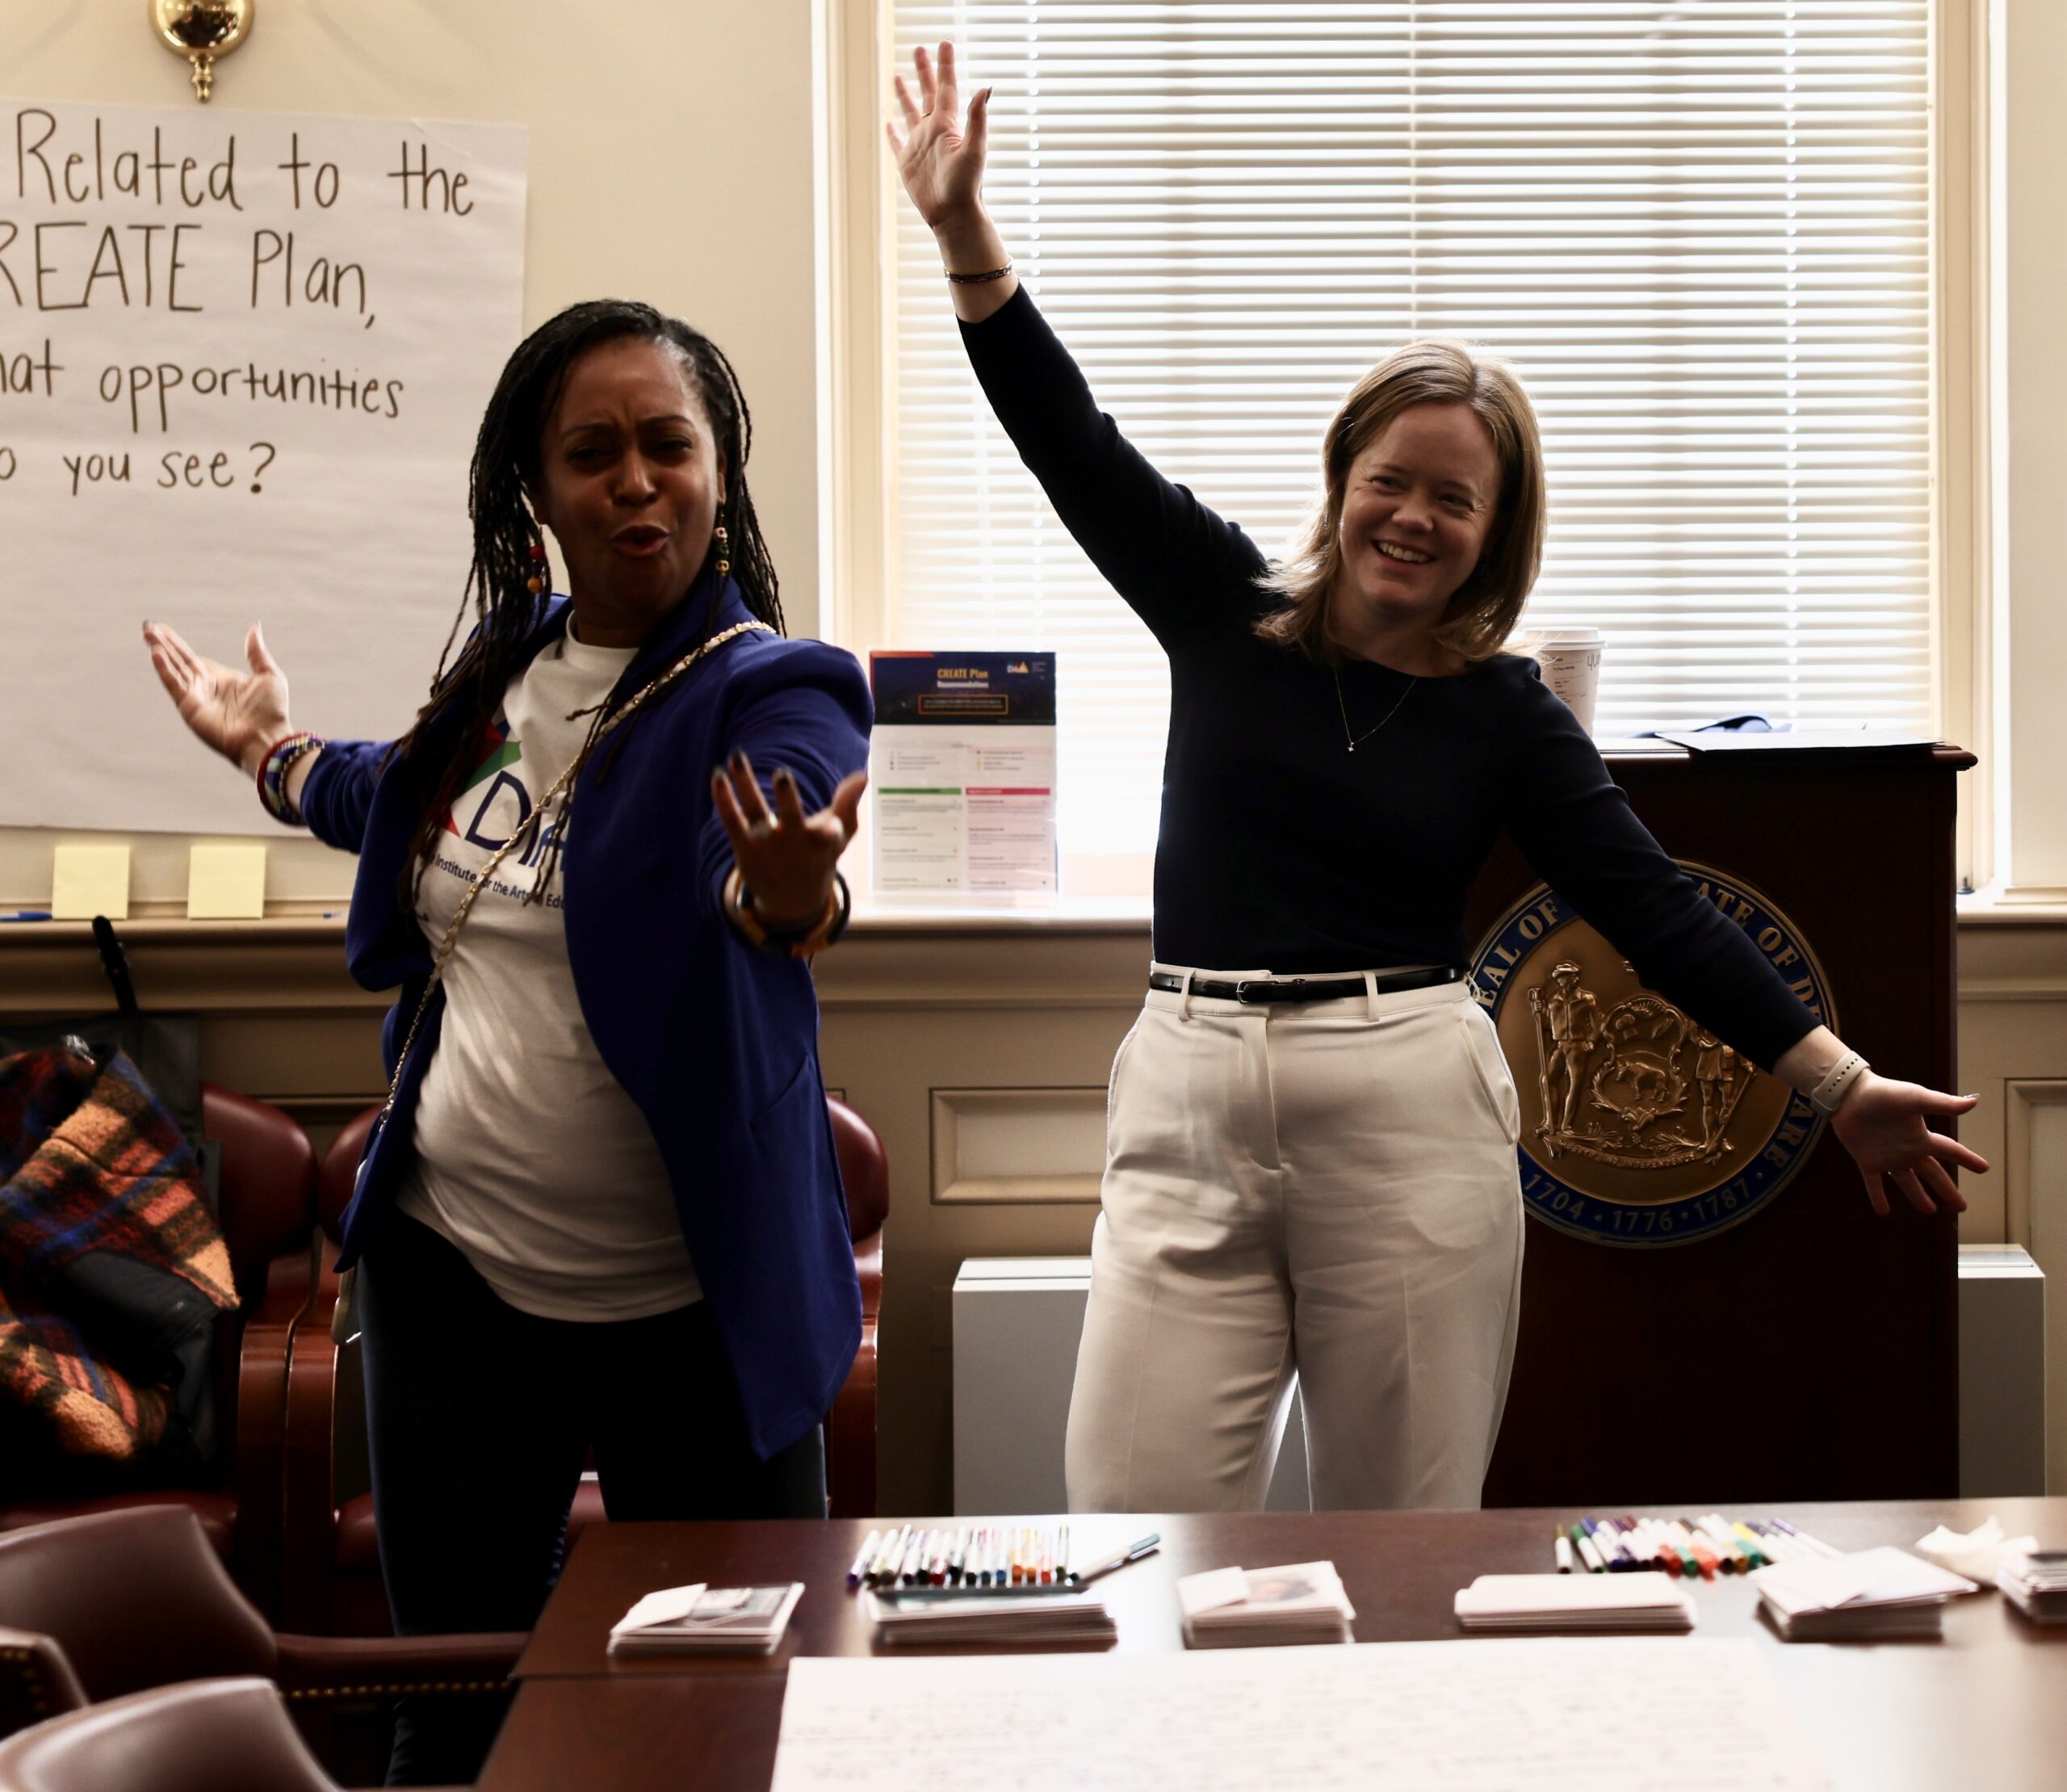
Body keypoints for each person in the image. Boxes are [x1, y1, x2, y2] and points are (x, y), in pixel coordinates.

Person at [887, 43, 1989, 1517]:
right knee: (1137, 1533)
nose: (1411, 517)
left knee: (1401, 1544)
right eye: (1389, 481)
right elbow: (1069, 444)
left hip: (1405, 1119)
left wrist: (1839, 1084)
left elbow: (1656, 912)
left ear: (1494, 532)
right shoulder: (1220, 607)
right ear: (1342, 479)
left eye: (1453, 499)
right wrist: (965, 232)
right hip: (1186, 1110)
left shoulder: (1506, 716)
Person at [142, 299, 870, 1783]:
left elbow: (765, 858)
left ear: (718, 469)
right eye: (593, 453)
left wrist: (790, 895)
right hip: (457, 1283)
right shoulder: (505, 669)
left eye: (668, 445)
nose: (636, 480)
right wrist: (267, 750)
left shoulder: (773, 688)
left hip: (693, 1306)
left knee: (725, 1715)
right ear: (536, 489)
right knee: (453, 1704)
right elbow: (394, 800)